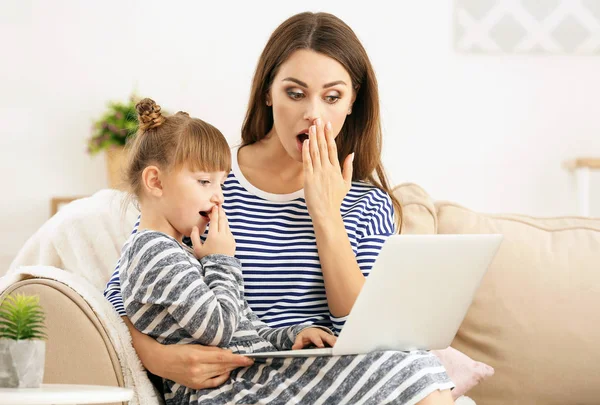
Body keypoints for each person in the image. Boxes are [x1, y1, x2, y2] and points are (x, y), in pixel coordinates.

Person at [105, 12, 455, 404]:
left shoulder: (368, 203)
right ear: (268, 93)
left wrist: (326, 213)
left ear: (353, 102)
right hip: (233, 381)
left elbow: (362, 334)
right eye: (295, 92)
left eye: (332, 97)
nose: (313, 114)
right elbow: (122, 291)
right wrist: (159, 359)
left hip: (322, 378)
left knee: (417, 367)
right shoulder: (209, 182)